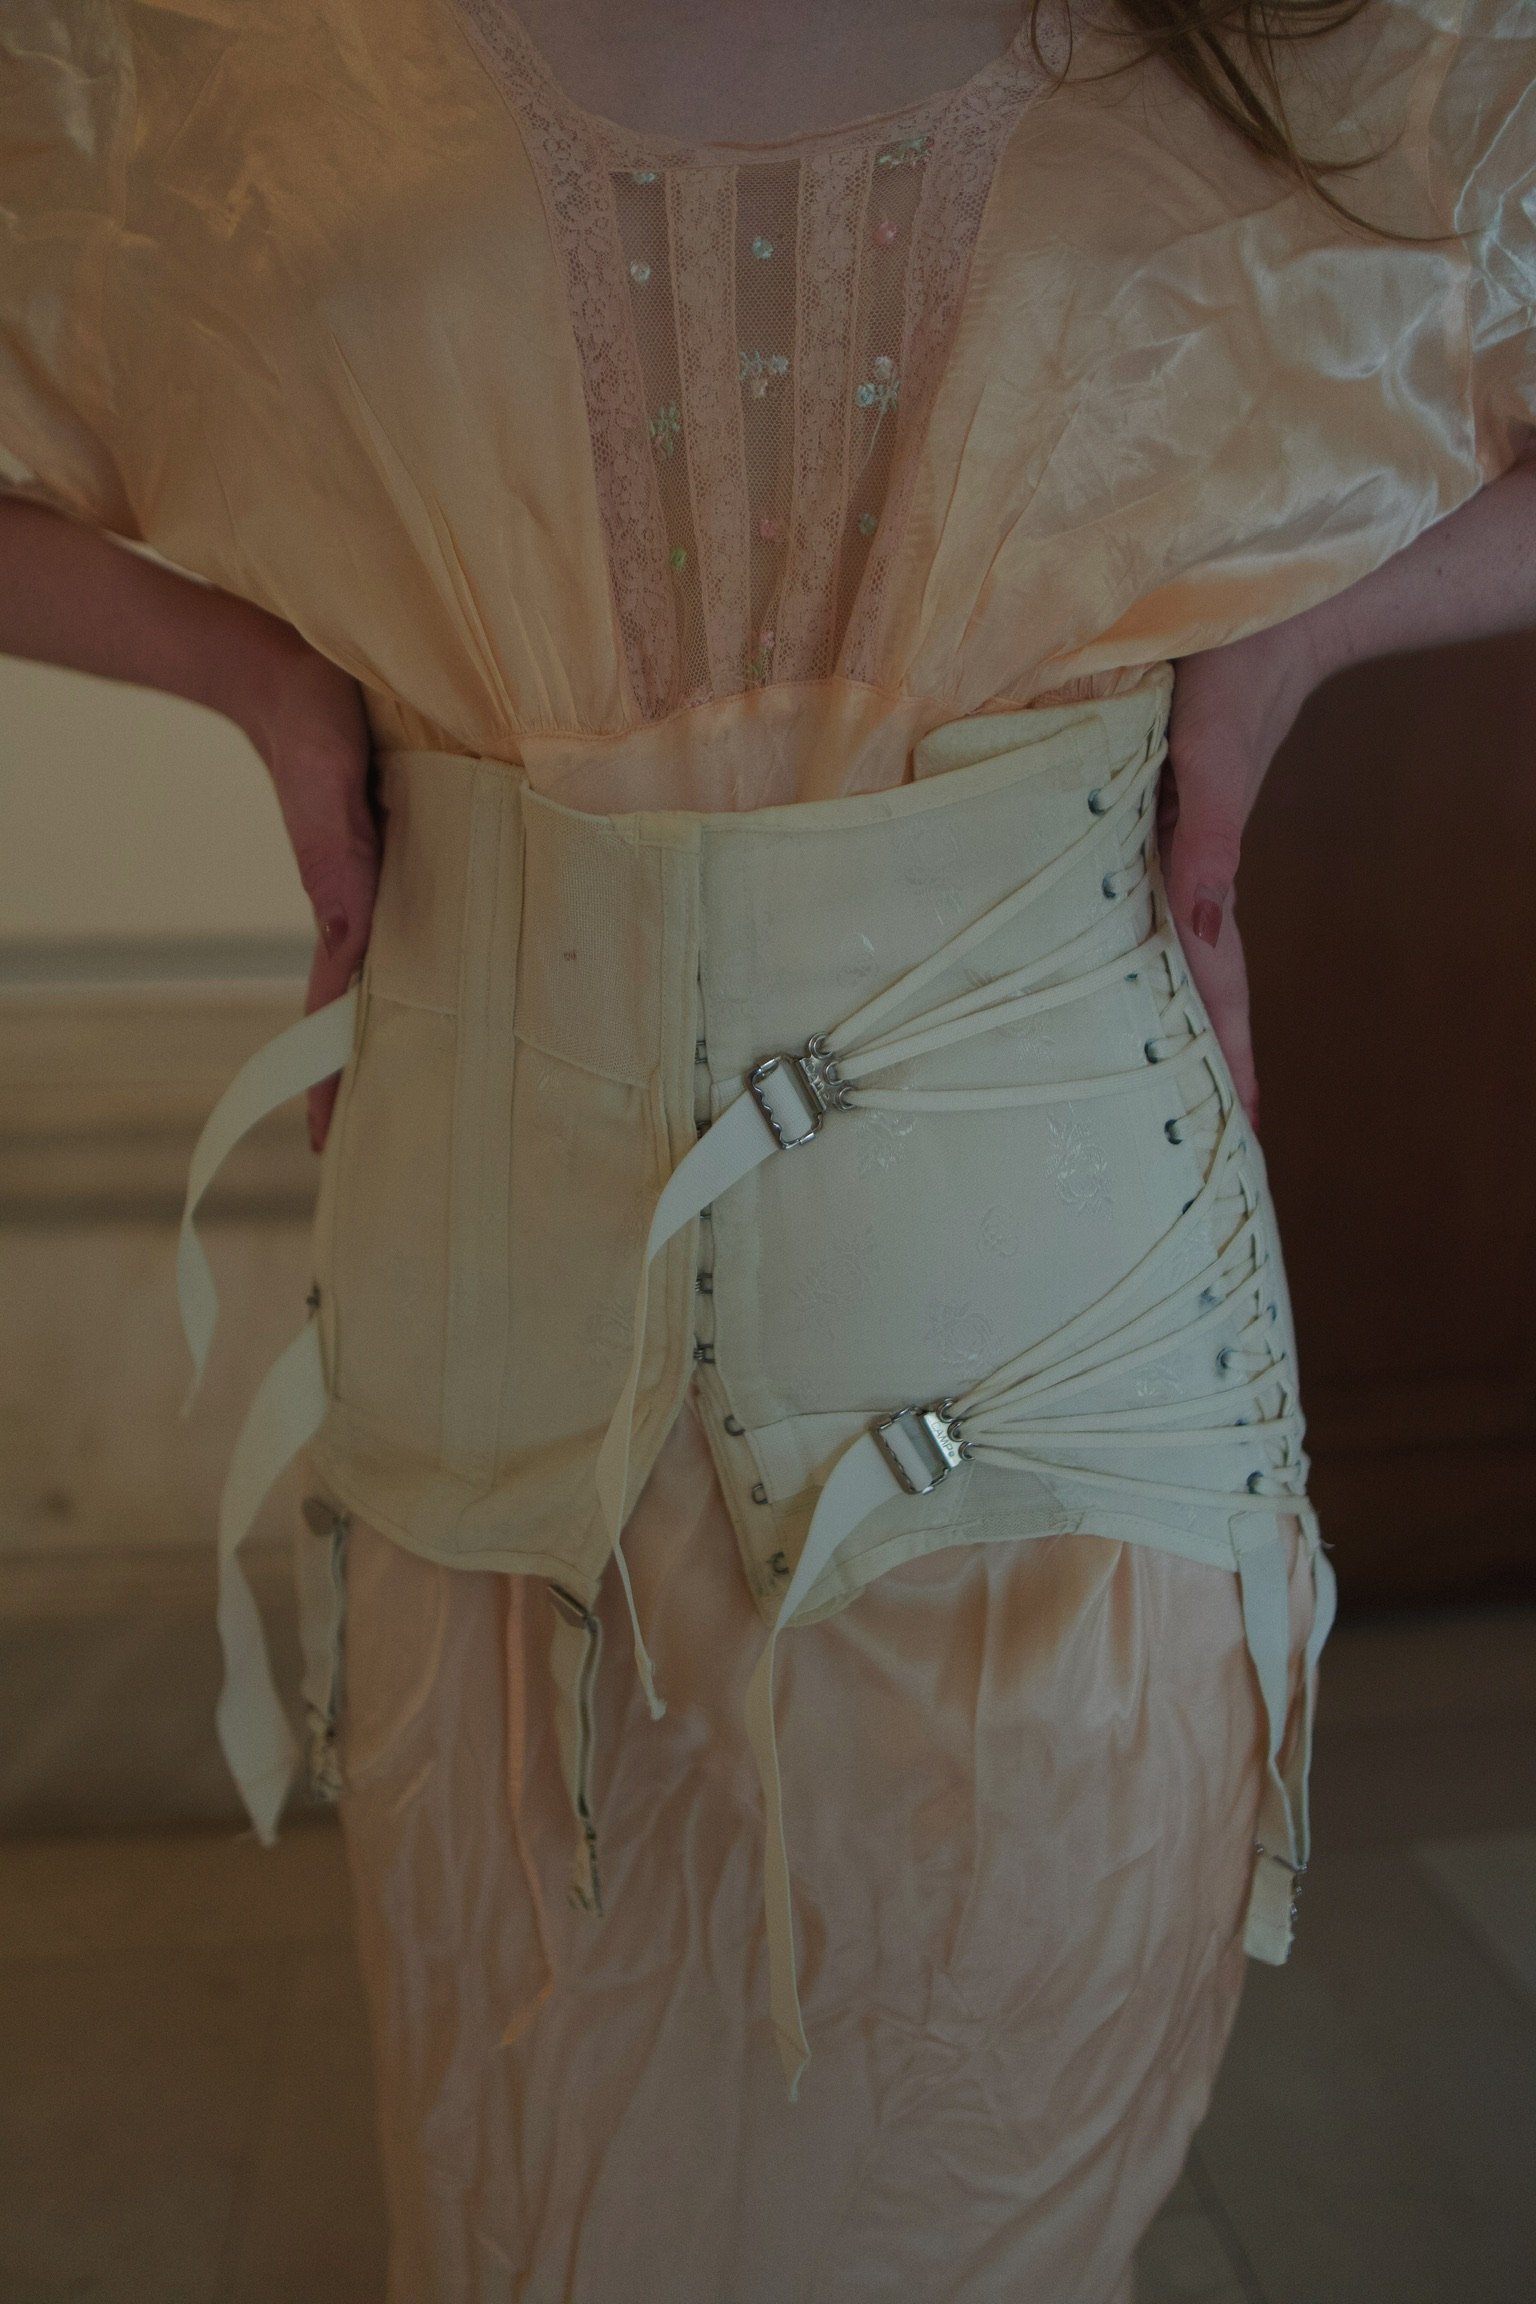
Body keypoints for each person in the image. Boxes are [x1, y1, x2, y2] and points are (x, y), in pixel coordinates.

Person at [2, 1, 1533, 2295]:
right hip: (488, 1400)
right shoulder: (235, 44)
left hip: (1062, 1408)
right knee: (535, 2199)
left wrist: (1294, 647)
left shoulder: (1327, 31)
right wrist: (256, 672)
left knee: (975, 2198)